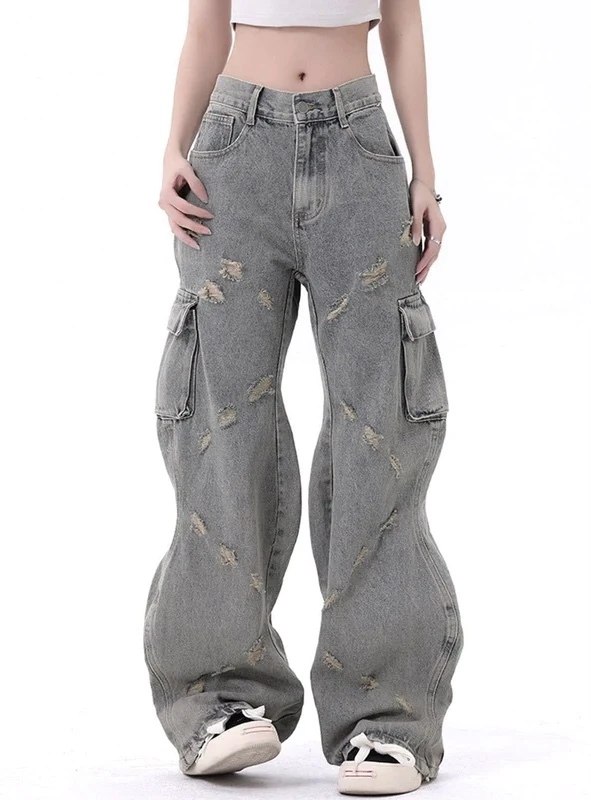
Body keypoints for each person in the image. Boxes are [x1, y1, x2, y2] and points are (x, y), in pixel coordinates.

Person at [145, 0, 464, 795]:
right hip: (230, 153)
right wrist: (173, 148)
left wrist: (424, 173)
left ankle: (386, 718)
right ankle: (217, 700)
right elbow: (207, 24)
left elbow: (402, 22)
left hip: (360, 148)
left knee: (379, 427)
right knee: (220, 424)